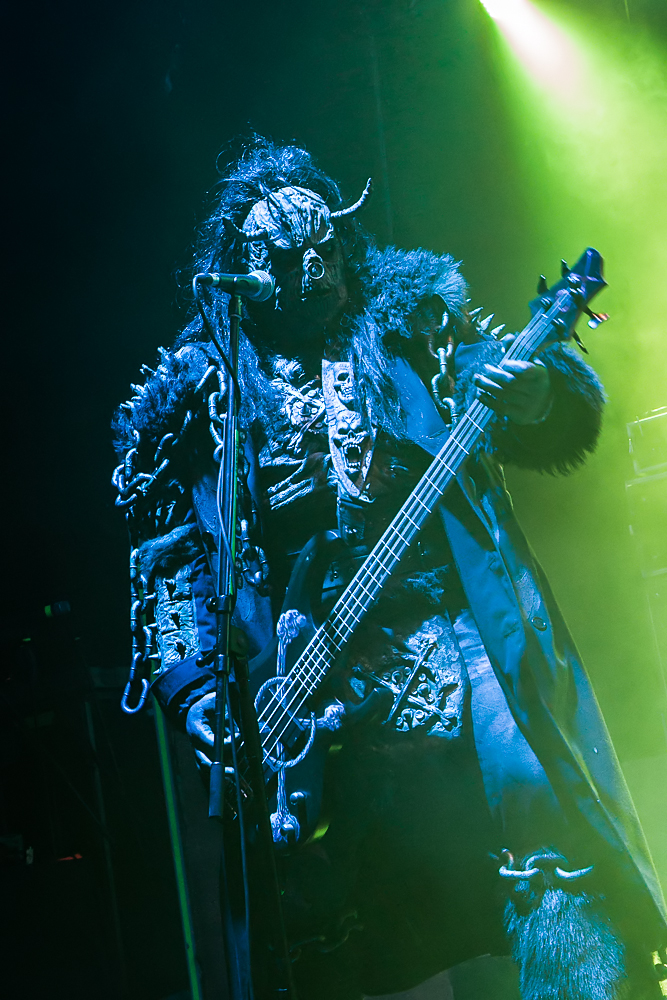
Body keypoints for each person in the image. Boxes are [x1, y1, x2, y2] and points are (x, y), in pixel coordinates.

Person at [112, 138, 666, 999]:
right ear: (244, 269)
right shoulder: (202, 387)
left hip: (451, 625)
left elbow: (504, 383)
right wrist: (192, 689)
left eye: (325, 249)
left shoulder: (411, 316)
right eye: (286, 259)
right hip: (305, 680)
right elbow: (170, 553)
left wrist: (539, 395)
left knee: (537, 808)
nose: (313, 271)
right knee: (341, 916)